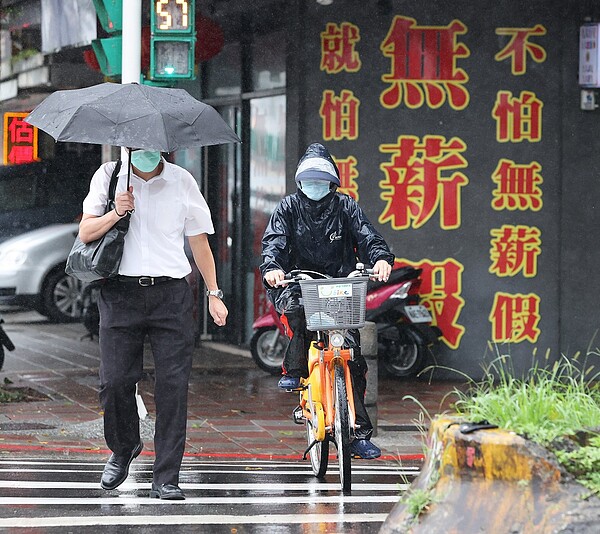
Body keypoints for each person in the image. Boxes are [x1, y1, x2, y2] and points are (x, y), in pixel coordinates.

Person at [79, 149, 228, 500]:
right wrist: (117, 211)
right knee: (114, 381)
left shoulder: (182, 180)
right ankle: (124, 445)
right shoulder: (109, 176)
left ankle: (166, 477)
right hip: (120, 294)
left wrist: (214, 292)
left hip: (171, 295)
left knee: (173, 387)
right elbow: (85, 232)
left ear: (163, 145)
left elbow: (199, 241)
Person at [260, 142, 394, 459]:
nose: (315, 186)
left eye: (322, 181)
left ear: (333, 183)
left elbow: (368, 236)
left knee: (354, 358)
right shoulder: (288, 208)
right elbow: (274, 244)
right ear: (300, 182)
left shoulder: (347, 207)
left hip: (339, 285)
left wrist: (381, 259)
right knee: (296, 311)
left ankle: (359, 434)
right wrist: (274, 269)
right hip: (297, 281)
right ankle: (293, 370)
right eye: (310, 180)